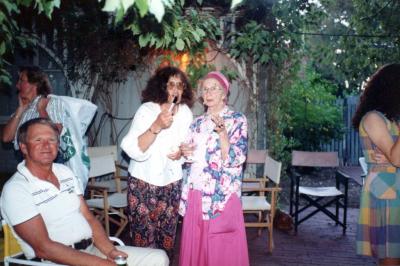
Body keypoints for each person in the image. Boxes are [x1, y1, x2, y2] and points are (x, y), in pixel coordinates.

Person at [0, 118, 169, 266]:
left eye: (51, 140)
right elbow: (44, 248)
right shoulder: (16, 189)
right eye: (38, 140)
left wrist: (110, 251)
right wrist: (102, 264)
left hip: (89, 250)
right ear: (23, 147)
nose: (46, 145)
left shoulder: (64, 172)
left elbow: (88, 217)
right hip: (54, 261)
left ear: (58, 145)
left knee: (158, 258)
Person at [120, 66, 194, 259]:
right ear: (162, 87)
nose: (176, 90)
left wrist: (181, 153)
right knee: (144, 240)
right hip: (143, 183)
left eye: (180, 85)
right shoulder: (147, 110)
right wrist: (156, 126)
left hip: (172, 184)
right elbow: (131, 148)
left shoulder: (185, 112)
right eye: (171, 85)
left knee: (167, 240)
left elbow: (186, 145)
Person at [178, 71, 249, 266]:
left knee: (221, 248)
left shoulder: (237, 120)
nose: (208, 93)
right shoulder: (197, 123)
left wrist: (223, 134)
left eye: (214, 88)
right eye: (205, 89)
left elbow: (237, 159)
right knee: (196, 244)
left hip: (221, 195)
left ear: (224, 94)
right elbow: (189, 157)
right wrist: (185, 151)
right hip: (197, 192)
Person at [2, 65, 92, 190]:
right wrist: (20, 109)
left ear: (35, 83)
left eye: (21, 81)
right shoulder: (23, 109)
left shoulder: (51, 102)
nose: (17, 86)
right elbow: (6, 138)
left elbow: (57, 132)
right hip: (24, 160)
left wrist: (42, 110)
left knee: (47, 195)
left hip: (44, 159)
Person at [352, 63, 400, 266]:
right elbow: (396, 158)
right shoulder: (373, 118)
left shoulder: (393, 120)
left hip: (393, 185)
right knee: (391, 256)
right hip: (386, 189)